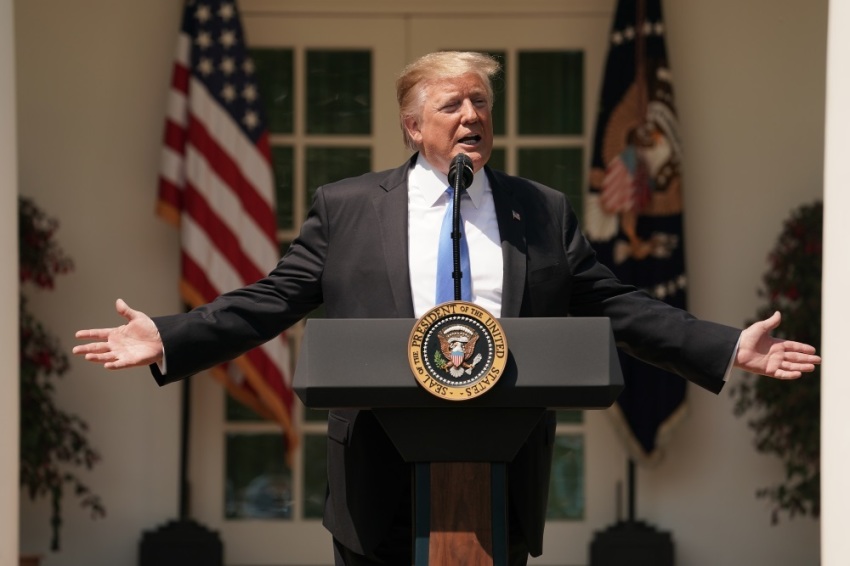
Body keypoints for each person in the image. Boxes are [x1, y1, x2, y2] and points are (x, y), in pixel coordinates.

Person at [73, 51, 820, 566]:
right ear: (412, 123)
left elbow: (618, 305)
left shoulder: (541, 210)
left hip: (499, 473)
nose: (471, 115)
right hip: (375, 473)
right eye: (452, 103)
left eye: (481, 102)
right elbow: (273, 299)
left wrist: (724, 348)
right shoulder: (349, 209)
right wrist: (169, 339)